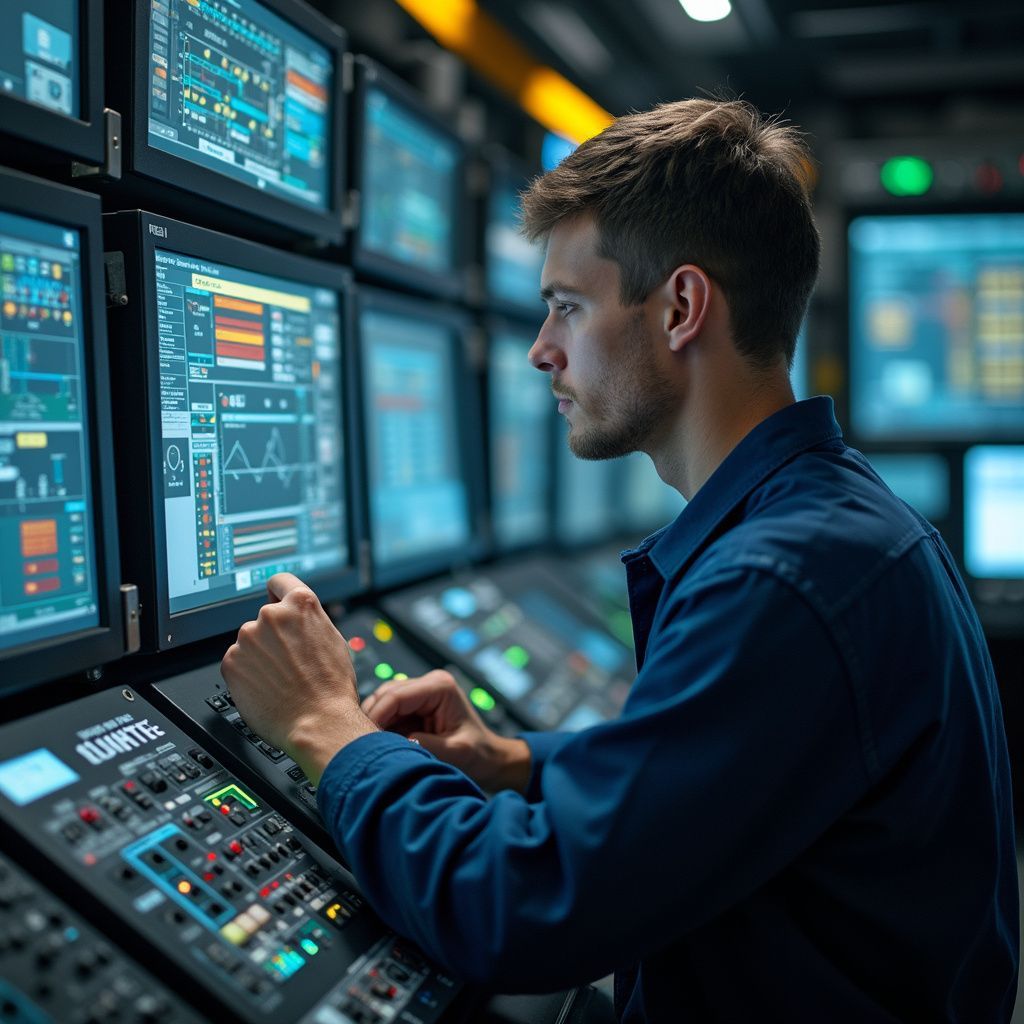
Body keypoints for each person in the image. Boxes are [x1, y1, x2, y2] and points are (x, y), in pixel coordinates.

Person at [221, 98, 1019, 1021]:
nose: (540, 351)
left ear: (682, 306)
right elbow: (713, 779)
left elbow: (522, 911)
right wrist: (522, 763)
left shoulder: (783, 580)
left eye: (567, 307)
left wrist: (327, 728)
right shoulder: (828, 526)